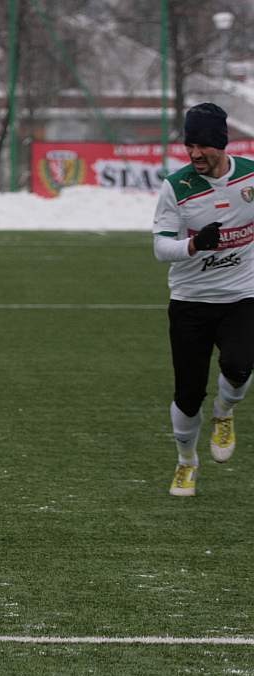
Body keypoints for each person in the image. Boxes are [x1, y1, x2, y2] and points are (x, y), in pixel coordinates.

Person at [153, 102, 254, 497]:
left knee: (239, 364)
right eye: (189, 145)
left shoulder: (250, 177)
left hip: (243, 295)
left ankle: (225, 412)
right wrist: (195, 245)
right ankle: (186, 462)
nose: (195, 154)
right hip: (191, 301)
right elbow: (162, 248)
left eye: (204, 146)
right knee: (188, 394)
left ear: (222, 144)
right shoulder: (175, 187)